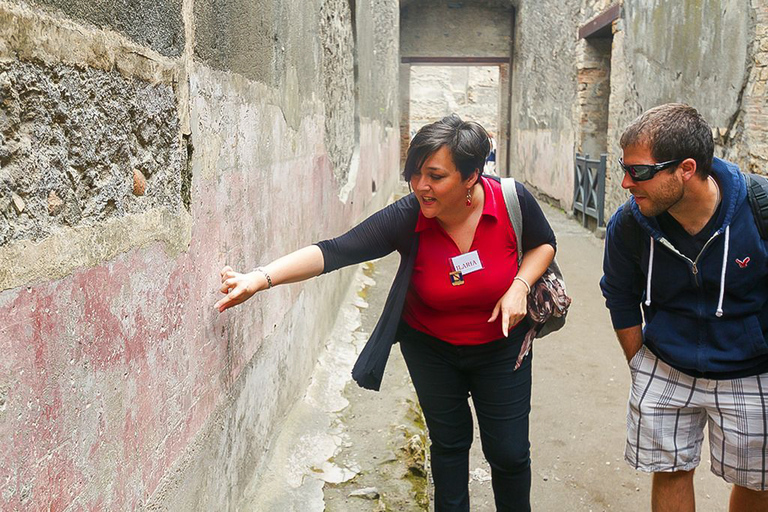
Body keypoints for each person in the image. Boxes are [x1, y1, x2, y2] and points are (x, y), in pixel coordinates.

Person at [216, 114, 556, 511]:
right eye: (414, 174)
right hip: (431, 349)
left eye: (435, 176)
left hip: (502, 348)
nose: (420, 187)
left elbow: (544, 243)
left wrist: (520, 285)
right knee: (449, 446)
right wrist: (259, 278)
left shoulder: (511, 199)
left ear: (472, 177)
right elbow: (337, 250)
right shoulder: (409, 214)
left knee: (510, 454)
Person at [600, 103, 768, 511]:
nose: (625, 182)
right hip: (665, 364)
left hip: (750, 369)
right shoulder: (630, 223)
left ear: (686, 169)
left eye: (638, 172)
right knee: (671, 470)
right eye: (625, 168)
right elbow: (619, 294)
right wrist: (639, 362)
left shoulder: (759, 207)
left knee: (757, 479)